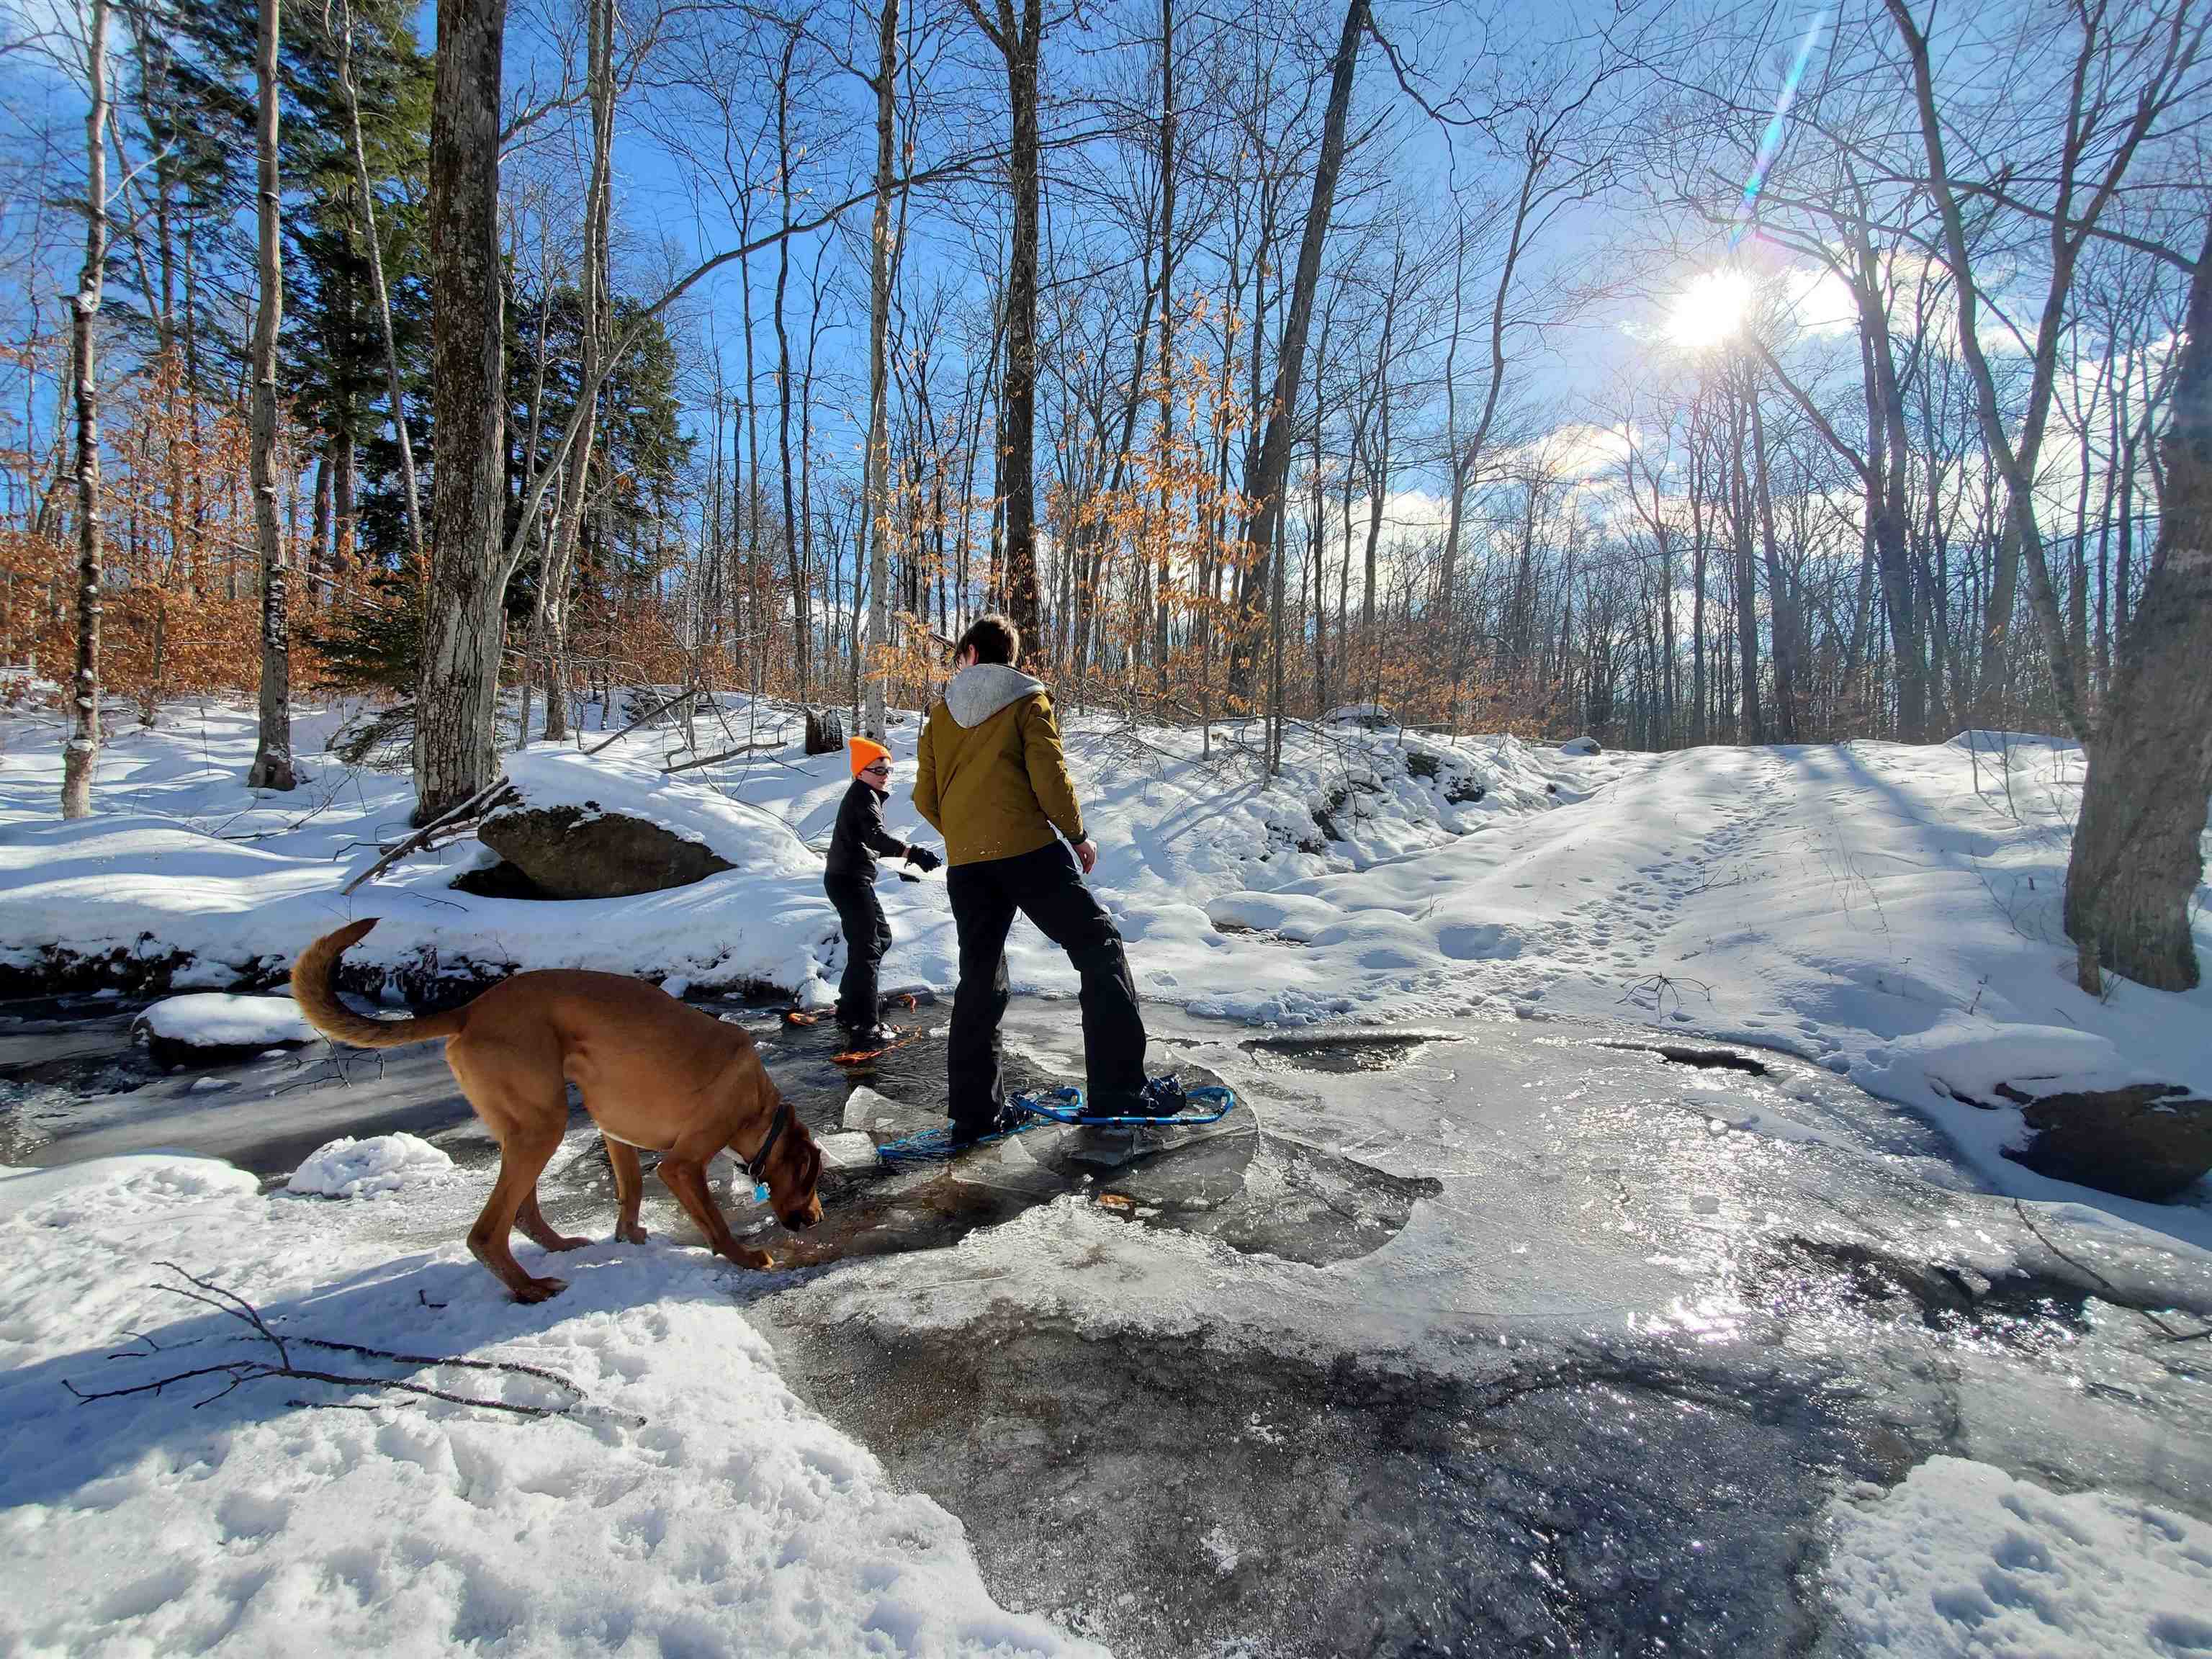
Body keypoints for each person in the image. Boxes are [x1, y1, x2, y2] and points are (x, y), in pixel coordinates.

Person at [912, 613, 1182, 1143]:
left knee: (979, 983)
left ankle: (975, 1116)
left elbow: (925, 797)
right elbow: (1049, 777)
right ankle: (1120, 1092)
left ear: (968, 653)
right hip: (1029, 853)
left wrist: (966, 836)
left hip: (969, 868)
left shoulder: (939, 716)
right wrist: (1077, 834)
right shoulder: (1026, 699)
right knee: (1098, 946)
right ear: (1009, 658)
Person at [824, 735, 940, 1044]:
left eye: (888, 770)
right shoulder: (863, 797)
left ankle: (851, 1003)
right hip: (848, 880)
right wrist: (913, 853)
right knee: (868, 948)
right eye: (878, 770)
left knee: (880, 939)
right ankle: (865, 1023)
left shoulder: (866, 794)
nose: (885, 776)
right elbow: (874, 837)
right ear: (861, 772)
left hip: (851, 879)